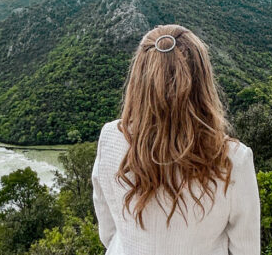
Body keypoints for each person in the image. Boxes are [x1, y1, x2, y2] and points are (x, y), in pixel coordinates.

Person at [92, 24, 261, 255]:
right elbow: (246, 249)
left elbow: (109, 231)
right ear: (203, 83)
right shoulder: (234, 159)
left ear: (139, 80)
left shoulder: (111, 138)